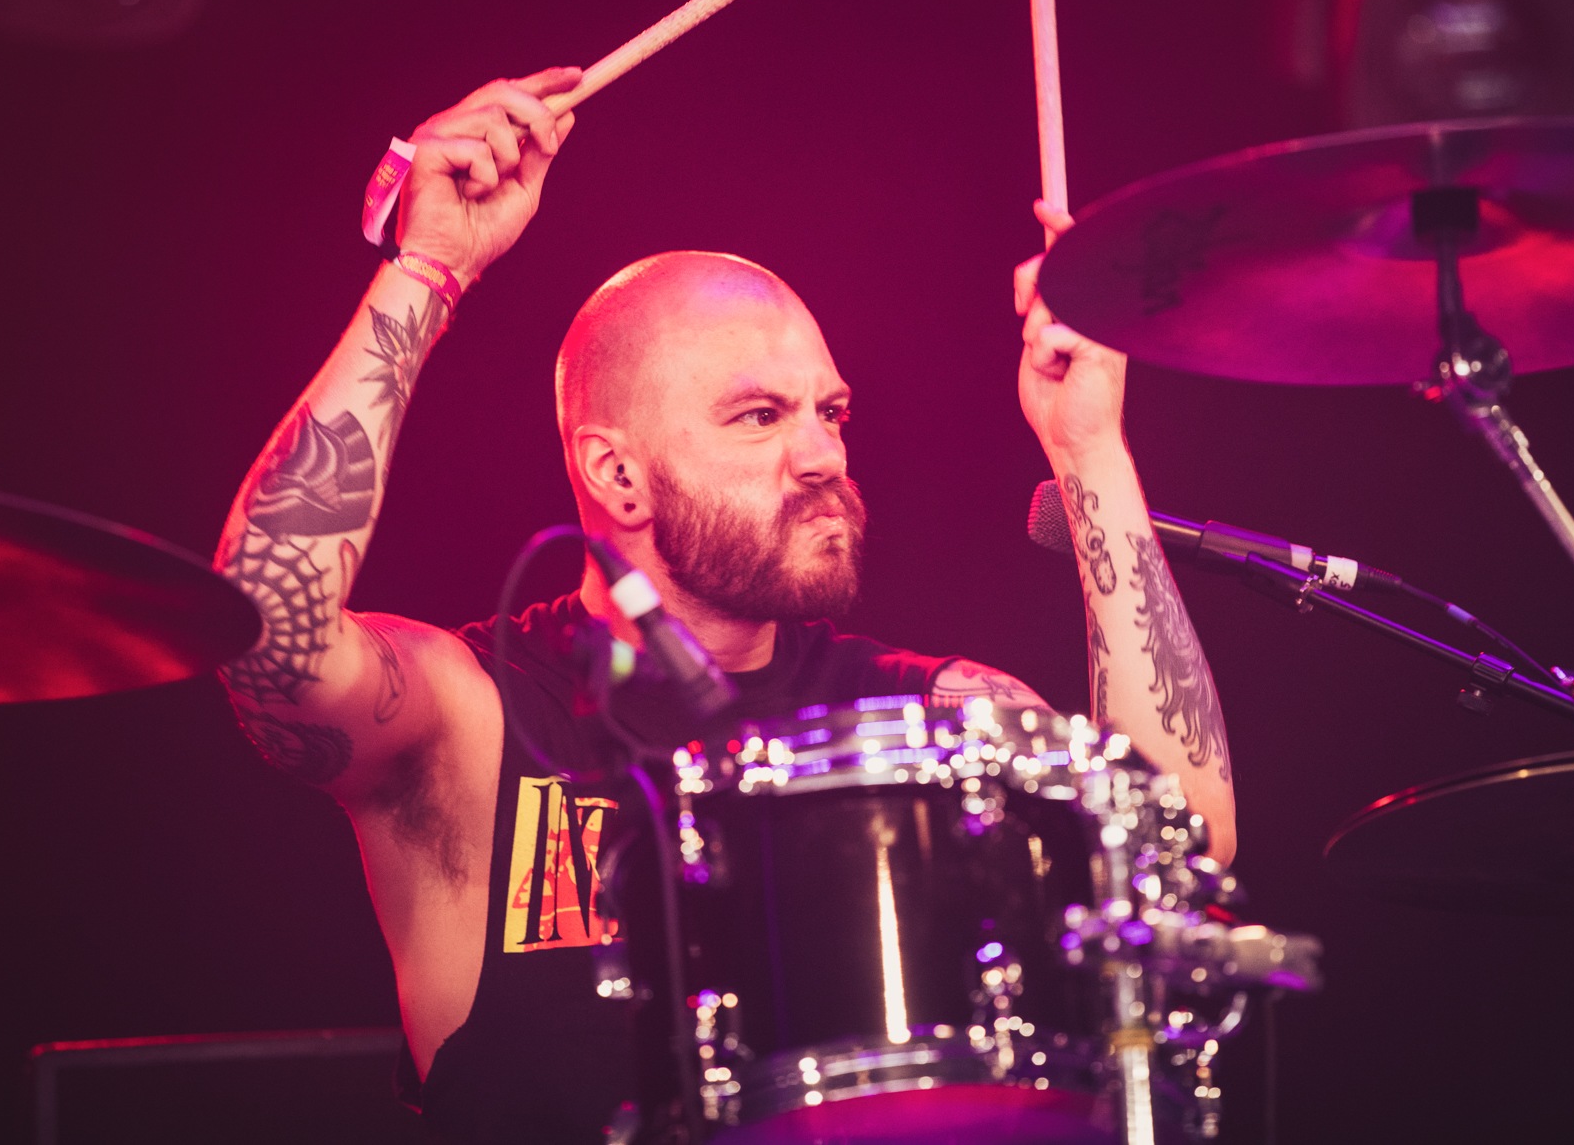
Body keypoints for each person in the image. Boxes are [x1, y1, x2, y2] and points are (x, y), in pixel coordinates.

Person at [213, 68, 1235, 1142]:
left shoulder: (915, 720)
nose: (822, 453)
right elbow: (269, 633)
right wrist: (428, 266)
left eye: (831, 411)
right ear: (617, 476)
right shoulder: (475, 717)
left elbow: (1179, 851)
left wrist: (1088, 446)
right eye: (759, 416)